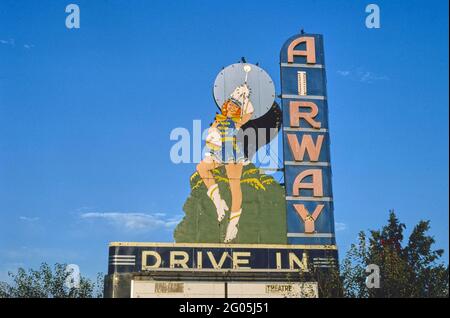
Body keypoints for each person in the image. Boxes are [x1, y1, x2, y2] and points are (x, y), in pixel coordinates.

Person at [196, 84, 254, 243]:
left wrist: (245, 97)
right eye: (229, 105)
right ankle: (218, 202)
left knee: (235, 186)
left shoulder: (237, 122)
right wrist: (211, 143)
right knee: (201, 168)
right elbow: (211, 138)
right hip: (219, 153)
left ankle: (233, 225)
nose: (230, 108)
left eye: (234, 106)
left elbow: (249, 112)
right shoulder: (218, 120)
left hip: (234, 155)